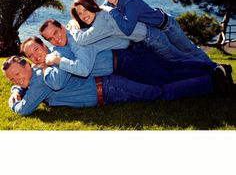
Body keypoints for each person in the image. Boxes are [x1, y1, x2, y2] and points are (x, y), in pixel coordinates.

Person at [1, 51, 227, 116]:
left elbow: (24, 110)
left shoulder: (39, 81)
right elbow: (25, 84)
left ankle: (212, 83)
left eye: (17, 74)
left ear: (28, 65)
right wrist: (17, 88)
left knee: (159, 92)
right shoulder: (36, 76)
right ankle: (212, 73)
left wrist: (14, 102)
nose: (17, 79)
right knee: (163, 77)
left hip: (109, 89)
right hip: (108, 85)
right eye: (12, 79)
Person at [37, 21, 233, 95]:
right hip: (129, 53)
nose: (56, 39)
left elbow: (83, 69)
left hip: (126, 59)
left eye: (56, 32)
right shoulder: (67, 38)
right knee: (170, 70)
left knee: (165, 77)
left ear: (62, 27)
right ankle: (215, 69)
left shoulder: (76, 40)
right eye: (50, 38)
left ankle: (213, 74)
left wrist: (57, 61)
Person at [99, 0, 211, 62]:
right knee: (178, 57)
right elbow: (98, 12)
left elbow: (128, 30)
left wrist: (112, 11)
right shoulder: (109, 3)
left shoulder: (129, 1)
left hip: (167, 26)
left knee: (190, 50)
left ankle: (214, 68)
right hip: (156, 31)